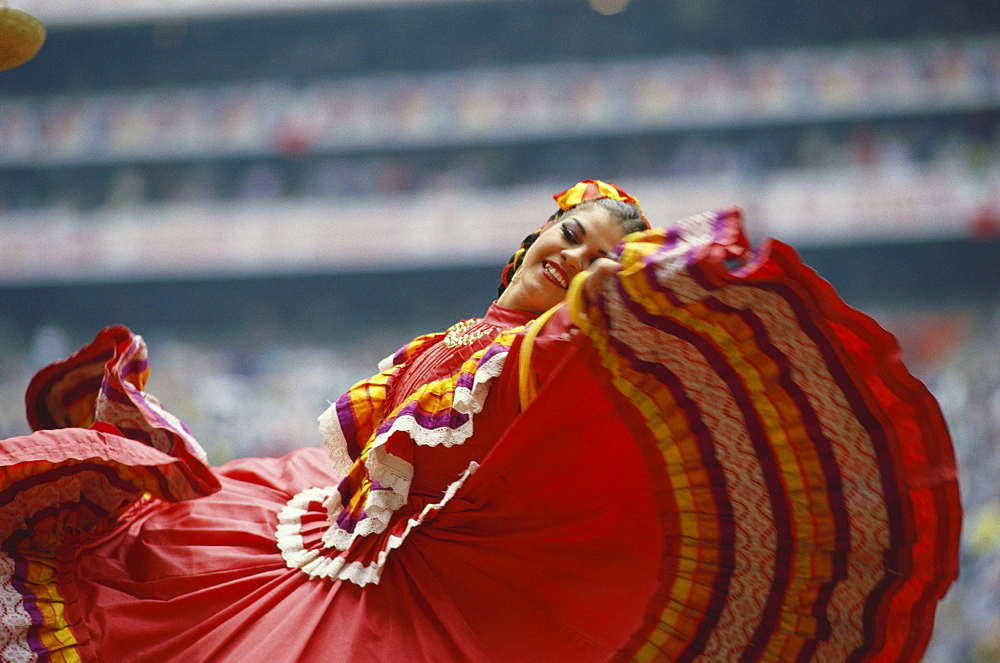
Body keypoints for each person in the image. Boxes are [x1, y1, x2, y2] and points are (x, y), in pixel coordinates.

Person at [0, 180, 960, 662]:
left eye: (594, 260)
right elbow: (356, 451)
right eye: (565, 235)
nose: (569, 255)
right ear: (531, 239)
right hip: (309, 539)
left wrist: (655, 288)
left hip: (411, 597)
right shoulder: (460, 335)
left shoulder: (550, 358)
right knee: (131, 559)